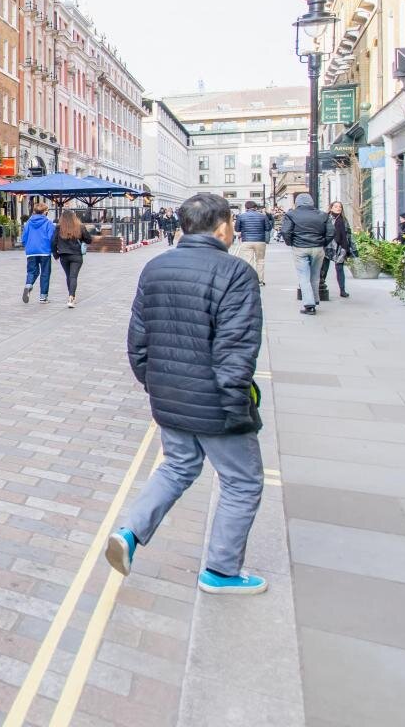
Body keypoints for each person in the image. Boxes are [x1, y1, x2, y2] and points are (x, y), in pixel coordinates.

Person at [106, 192, 267, 596]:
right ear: (223, 226)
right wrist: (237, 410)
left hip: (169, 394)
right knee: (242, 481)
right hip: (217, 401)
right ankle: (222, 571)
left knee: (177, 466)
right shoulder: (236, 273)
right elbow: (236, 348)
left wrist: (154, 382)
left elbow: (137, 339)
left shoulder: (155, 267)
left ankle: (129, 533)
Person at [280, 193, 329, 314]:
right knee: (315, 275)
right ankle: (315, 299)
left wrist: (290, 242)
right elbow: (330, 232)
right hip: (318, 247)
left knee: (303, 276)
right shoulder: (322, 215)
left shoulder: (291, 214)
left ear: (297, 203)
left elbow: (286, 231)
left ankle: (309, 304)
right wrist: (323, 242)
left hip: (300, 247)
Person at [52, 210, 96, 308]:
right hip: (76, 255)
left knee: (69, 276)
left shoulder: (59, 228)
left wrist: (55, 254)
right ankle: (71, 297)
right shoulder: (80, 227)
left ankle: (71, 296)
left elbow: (53, 242)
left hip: (63, 255)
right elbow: (89, 240)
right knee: (73, 276)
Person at [20, 201, 56, 304]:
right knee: (45, 273)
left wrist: (27, 245)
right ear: (44, 212)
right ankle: (43, 297)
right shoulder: (48, 223)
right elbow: (51, 238)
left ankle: (28, 285)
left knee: (32, 271)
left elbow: (24, 238)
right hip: (44, 251)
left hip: (31, 251)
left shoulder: (28, 223)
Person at [232, 201, 273, 286]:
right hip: (260, 241)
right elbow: (268, 228)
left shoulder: (241, 216)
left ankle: (250, 280)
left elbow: (237, 229)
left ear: (246, 208)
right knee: (260, 261)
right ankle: (260, 281)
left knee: (248, 261)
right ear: (256, 207)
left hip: (246, 241)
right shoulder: (263, 216)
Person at [319, 201, 354, 299]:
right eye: (336, 206)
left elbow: (348, 234)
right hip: (328, 246)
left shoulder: (344, 220)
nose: (338, 208)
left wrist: (349, 247)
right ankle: (321, 287)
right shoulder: (326, 218)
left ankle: (342, 290)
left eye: (340, 207)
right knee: (324, 268)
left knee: (339, 268)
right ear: (331, 208)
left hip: (340, 247)